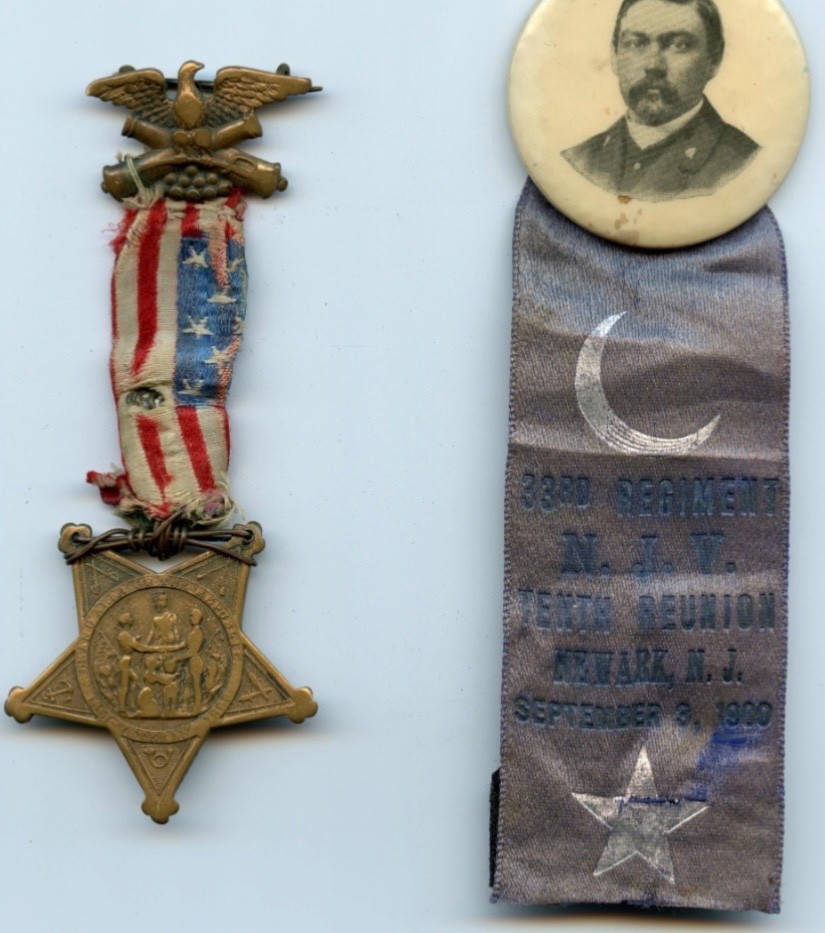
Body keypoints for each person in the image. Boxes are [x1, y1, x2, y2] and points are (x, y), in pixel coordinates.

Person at [562, 0, 758, 200]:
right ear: (614, 55)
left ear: (714, 59)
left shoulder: (745, 163)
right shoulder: (579, 160)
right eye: (636, 43)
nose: (653, 65)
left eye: (679, 45)